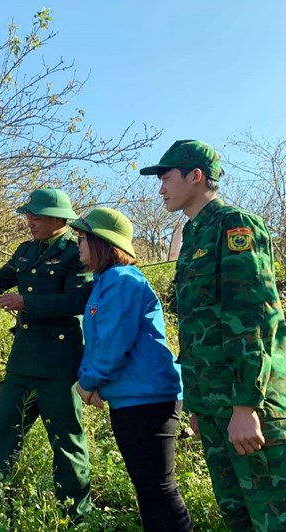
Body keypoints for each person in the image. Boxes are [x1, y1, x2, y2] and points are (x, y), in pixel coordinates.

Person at [140, 140, 286, 531]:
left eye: (166, 178)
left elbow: (254, 318)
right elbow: (195, 327)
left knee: (272, 517)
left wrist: (245, 406)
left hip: (249, 407)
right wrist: (200, 404)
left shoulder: (234, 227)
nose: (161, 189)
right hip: (213, 405)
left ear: (196, 176)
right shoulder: (193, 235)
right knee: (236, 516)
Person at [0, 187, 93, 521]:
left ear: (59, 218)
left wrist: (27, 303)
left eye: (36, 215)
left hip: (59, 366)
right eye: (28, 214)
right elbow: (0, 280)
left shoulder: (77, 253)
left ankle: (77, 517)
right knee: (3, 431)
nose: (29, 221)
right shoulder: (26, 251)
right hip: (23, 362)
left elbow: (79, 301)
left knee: (66, 443)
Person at [70, 207, 192, 531]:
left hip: (148, 400)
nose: (77, 245)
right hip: (132, 399)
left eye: (81, 238)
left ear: (102, 243)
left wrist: (87, 383)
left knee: (159, 490)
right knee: (149, 490)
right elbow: (102, 342)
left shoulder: (121, 280)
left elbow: (112, 344)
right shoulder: (106, 280)